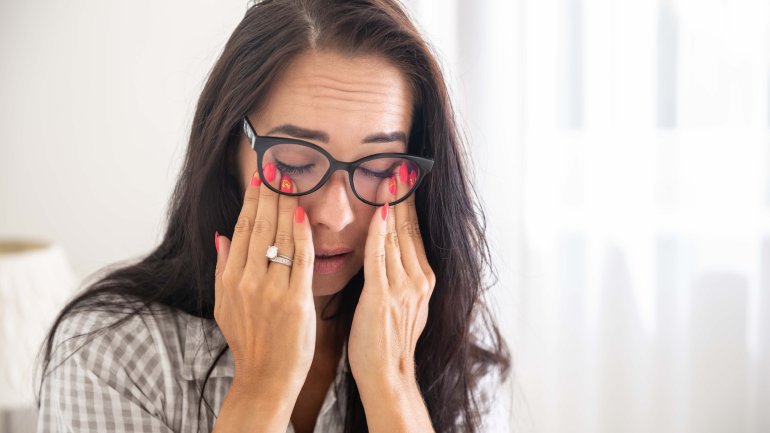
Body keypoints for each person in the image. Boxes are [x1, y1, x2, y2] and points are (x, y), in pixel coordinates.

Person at [34, 0, 512, 432]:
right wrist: (262, 387)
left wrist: (393, 381)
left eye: (379, 168)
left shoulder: (450, 343)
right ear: (227, 152)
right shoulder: (110, 354)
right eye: (296, 165)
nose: (336, 214)